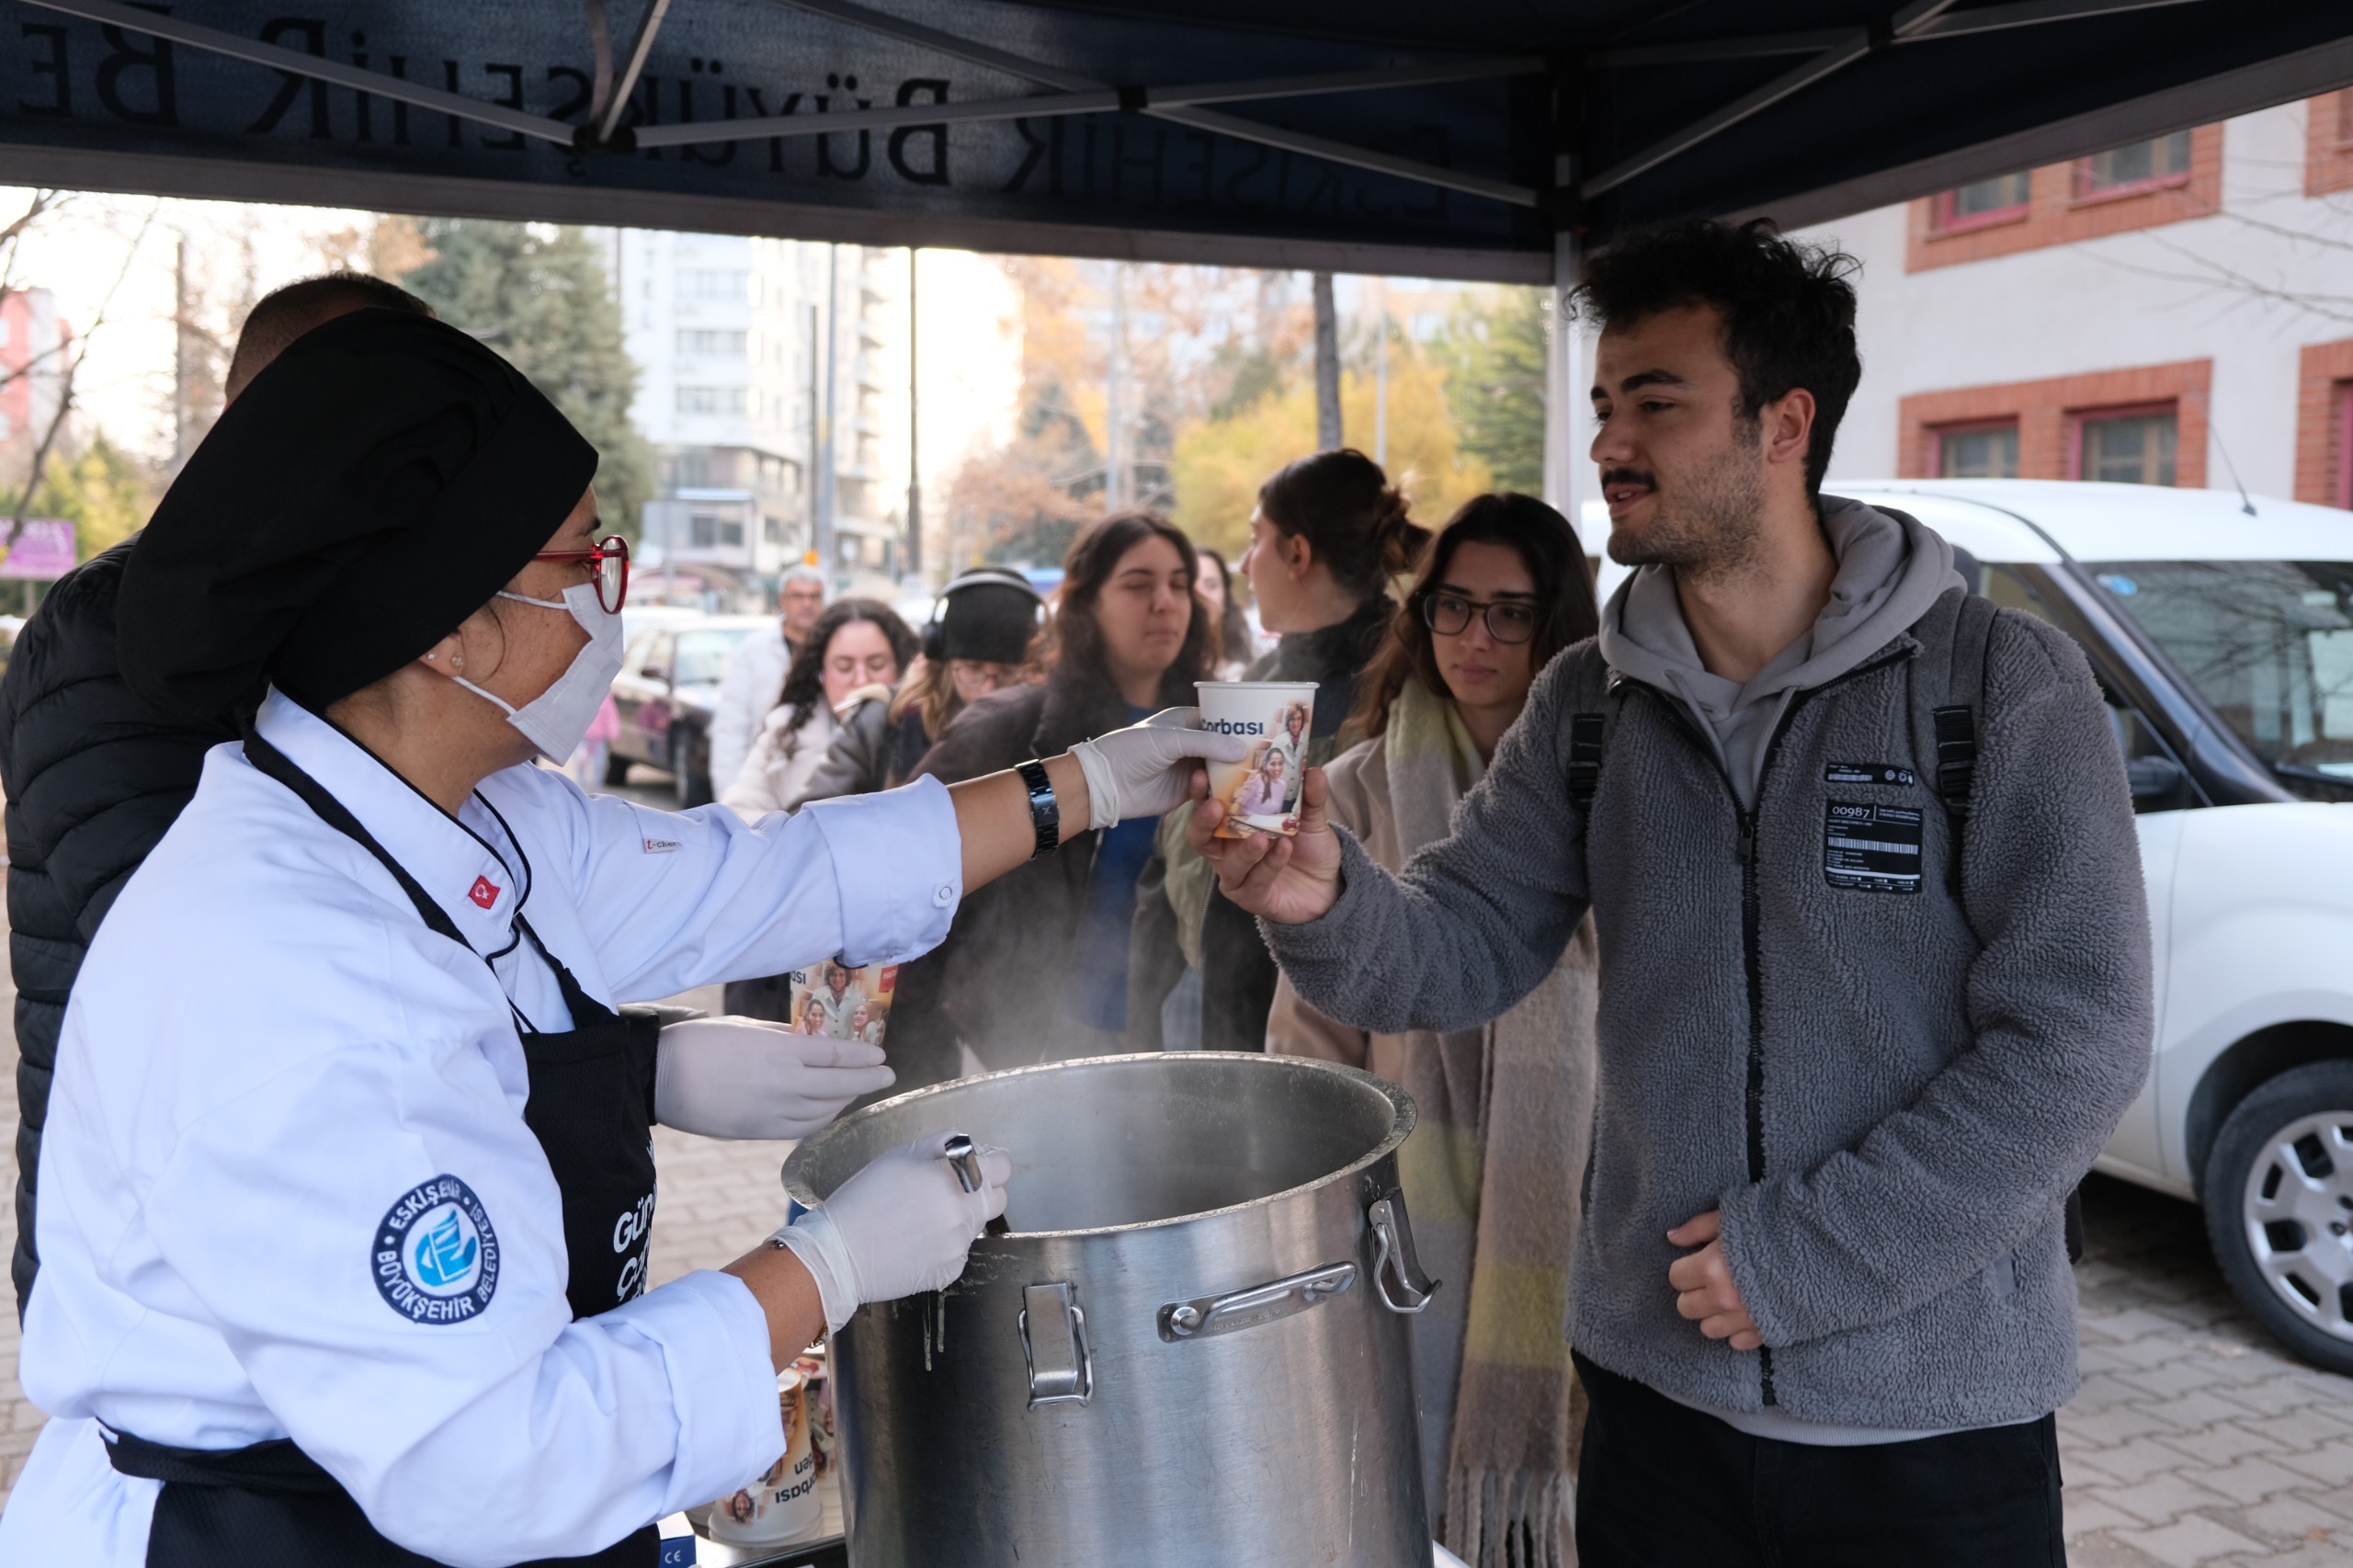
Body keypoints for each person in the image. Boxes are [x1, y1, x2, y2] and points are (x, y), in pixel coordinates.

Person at [0, 310, 1248, 1566]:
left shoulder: (476, 817)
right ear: (449, 626)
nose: (614, 585)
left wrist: (1084, 781)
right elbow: (495, 1458)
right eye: (580, 556)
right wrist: (828, 1261)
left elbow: (780, 872)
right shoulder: (297, 966)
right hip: (270, 1532)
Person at [1199, 219, 2153, 1566]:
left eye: (1656, 400)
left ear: (1784, 422)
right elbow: (1461, 941)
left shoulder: (1998, 688)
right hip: (1657, 1420)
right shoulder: (1591, 703)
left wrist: (1806, 1256)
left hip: (1934, 1438)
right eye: (1603, 403)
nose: (1607, 443)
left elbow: (2080, 1036)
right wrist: (1325, 899)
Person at [0, 269, 435, 1321]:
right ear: (248, 421)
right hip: (153, 1260)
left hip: (332, 1211)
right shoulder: (107, 633)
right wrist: (626, 1063)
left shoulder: (361, 629)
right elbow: (232, 972)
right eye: (351, 403)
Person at [1264, 492, 1600, 1564]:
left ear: (1558, 625)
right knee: (1405, 1498)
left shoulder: (1622, 792)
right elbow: (1309, 1045)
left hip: (1584, 1209)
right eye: (1453, 606)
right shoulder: (1358, 789)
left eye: (1511, 612)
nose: (1475, 638)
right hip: (1406, 1231)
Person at [885, 514, 1216, 1088]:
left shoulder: (1216, 738)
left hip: (1167, 1051)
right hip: (1020, 1048)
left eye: (1180, 583)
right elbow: (906, 869)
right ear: (1085, 604)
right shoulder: (1009, 728)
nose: (1165, 602)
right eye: (1138, 584)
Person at [1132, 448, 1428, 1052]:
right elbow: (1168, 887)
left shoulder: (1403, 703)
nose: (1244, 563)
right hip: (1223, 1041)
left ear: (1297, 554)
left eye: (1255, 539)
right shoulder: (1256, 689)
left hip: (1332, 1051)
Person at [788, 568, 1041, 809]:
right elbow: (807, 824)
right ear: (941, 660)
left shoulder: (1047, 729)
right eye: (972, 670)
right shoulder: (882, 720)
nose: (988, 691)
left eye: (1007, 674)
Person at [721, 598, 918, 819]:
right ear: (821, 672)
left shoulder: (923, 728)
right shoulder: (785, 729)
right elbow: (740, 813)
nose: (861, 680)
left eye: (876, 665)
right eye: (844, 667)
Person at [709, 563, 829, 793]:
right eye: (798, 596)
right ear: (783, 601)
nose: (807, 604)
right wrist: (728, 791)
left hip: (818, 783)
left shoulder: (837, 652)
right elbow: (731, 725)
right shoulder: (754, 650)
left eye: (814, 596)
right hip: (761, 780)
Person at [1195, 545, 1253, 678]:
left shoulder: (1246, 672)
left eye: (1211, 585)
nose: (1201, 595)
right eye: (1189, 585)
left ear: (1225, 597)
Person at [1231, 747, 1290, 820]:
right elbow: (1238, 803)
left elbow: (1276, 813)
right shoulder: (1257, 778)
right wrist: (1231, 819)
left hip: (1267, 828)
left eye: (1280, 763)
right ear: (1265, 764)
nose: (1277, 768)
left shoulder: (1283, 785)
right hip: (1247, 824)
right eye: (1273, 764)